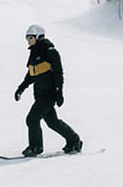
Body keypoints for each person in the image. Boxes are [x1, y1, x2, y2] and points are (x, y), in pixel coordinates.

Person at [14, 24, 83, 157]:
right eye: (27, 38)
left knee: (32, 119)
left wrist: (59, 92)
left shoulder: (50, 51)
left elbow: (58, 73)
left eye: (30, 38)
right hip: (39, 95)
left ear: (39, 36)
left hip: (49, 95)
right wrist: (20, 89)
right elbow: (31, 74)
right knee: (52, 122)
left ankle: (35, 147)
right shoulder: (34, 53)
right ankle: (74, 141)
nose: (28, 41)